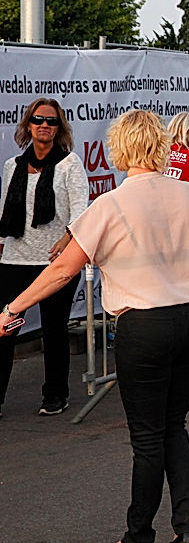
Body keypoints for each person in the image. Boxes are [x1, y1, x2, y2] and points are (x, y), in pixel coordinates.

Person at [2, 109, 189, 543]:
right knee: (175, 425)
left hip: (145, 325)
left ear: (120, 149)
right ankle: (185, 527)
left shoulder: (109, 205)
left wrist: (13, 307)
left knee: (147, 436)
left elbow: (63, 270)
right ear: (161, 146)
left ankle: (138, 537)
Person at [0, 98, 88, 418]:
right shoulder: (12, 166)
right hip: (15, 259)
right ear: (28, 125)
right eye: (38, 120)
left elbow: (81, 209)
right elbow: (5, 210)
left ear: (59, 127)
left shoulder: (69, 164)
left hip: (55, 261)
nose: (44, 126)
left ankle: (55, 395)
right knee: (5, 329)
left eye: (51, 121)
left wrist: (68, 237)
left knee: (54, 330)